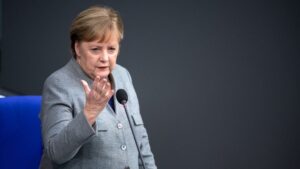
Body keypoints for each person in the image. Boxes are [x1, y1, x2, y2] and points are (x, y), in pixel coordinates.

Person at [39, 5, 157, 169]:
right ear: (77, 48)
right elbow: (56, 153)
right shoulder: (58, 84)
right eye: (95, 49)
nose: (105, 58)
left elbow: (141, 140)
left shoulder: (123, 75)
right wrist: (89, 113)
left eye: (111, 49)